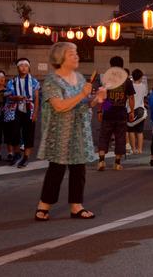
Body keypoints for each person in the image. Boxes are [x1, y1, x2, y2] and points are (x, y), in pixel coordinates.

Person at [34, 42, 106, 221]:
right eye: (72, 54)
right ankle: (44, 205)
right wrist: (83, 95)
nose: (77, 56)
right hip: (60, 133)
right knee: (56, 169)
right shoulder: (52, 80)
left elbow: (84, 105)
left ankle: (77, 206)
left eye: (76, 53)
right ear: (60, 58)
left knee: (79, 170)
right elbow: (59, 106)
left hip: (79, 131)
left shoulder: (80, 78)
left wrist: (97, 99)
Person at [97, 56, 135, 171]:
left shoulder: (106, 79)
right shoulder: (126, 80)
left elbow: (102, 96)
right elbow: (131, 97)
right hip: (121, 111)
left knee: (104, 136)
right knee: (120, 137)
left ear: (111, 66)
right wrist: (132, 111)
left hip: (108, 109)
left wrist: (100, 110)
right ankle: (117, 163)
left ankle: (101, 161)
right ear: (122, 66)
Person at [8, 58, 40, 168]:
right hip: (15, 108)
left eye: (26, 65)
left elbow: (36, 98)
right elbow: (9, 96)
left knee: (28, 133)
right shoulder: (12, 81)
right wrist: (15, 97)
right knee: (14, 132)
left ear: (29, 67)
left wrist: (35, 112)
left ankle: (26, 157)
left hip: (29, 108)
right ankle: (17, 154)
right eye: (21, 66)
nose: (24, 68)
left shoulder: (34, 81)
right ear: (17, 68)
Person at [126, 68, 147, 154]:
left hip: (130, 110)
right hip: (141, 111)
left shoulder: (130, 85)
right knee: (140, 131)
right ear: (140, 77)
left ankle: (133, 149)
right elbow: (144, 96)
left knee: (131, 130)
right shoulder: (143, 86)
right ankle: (140, 149)